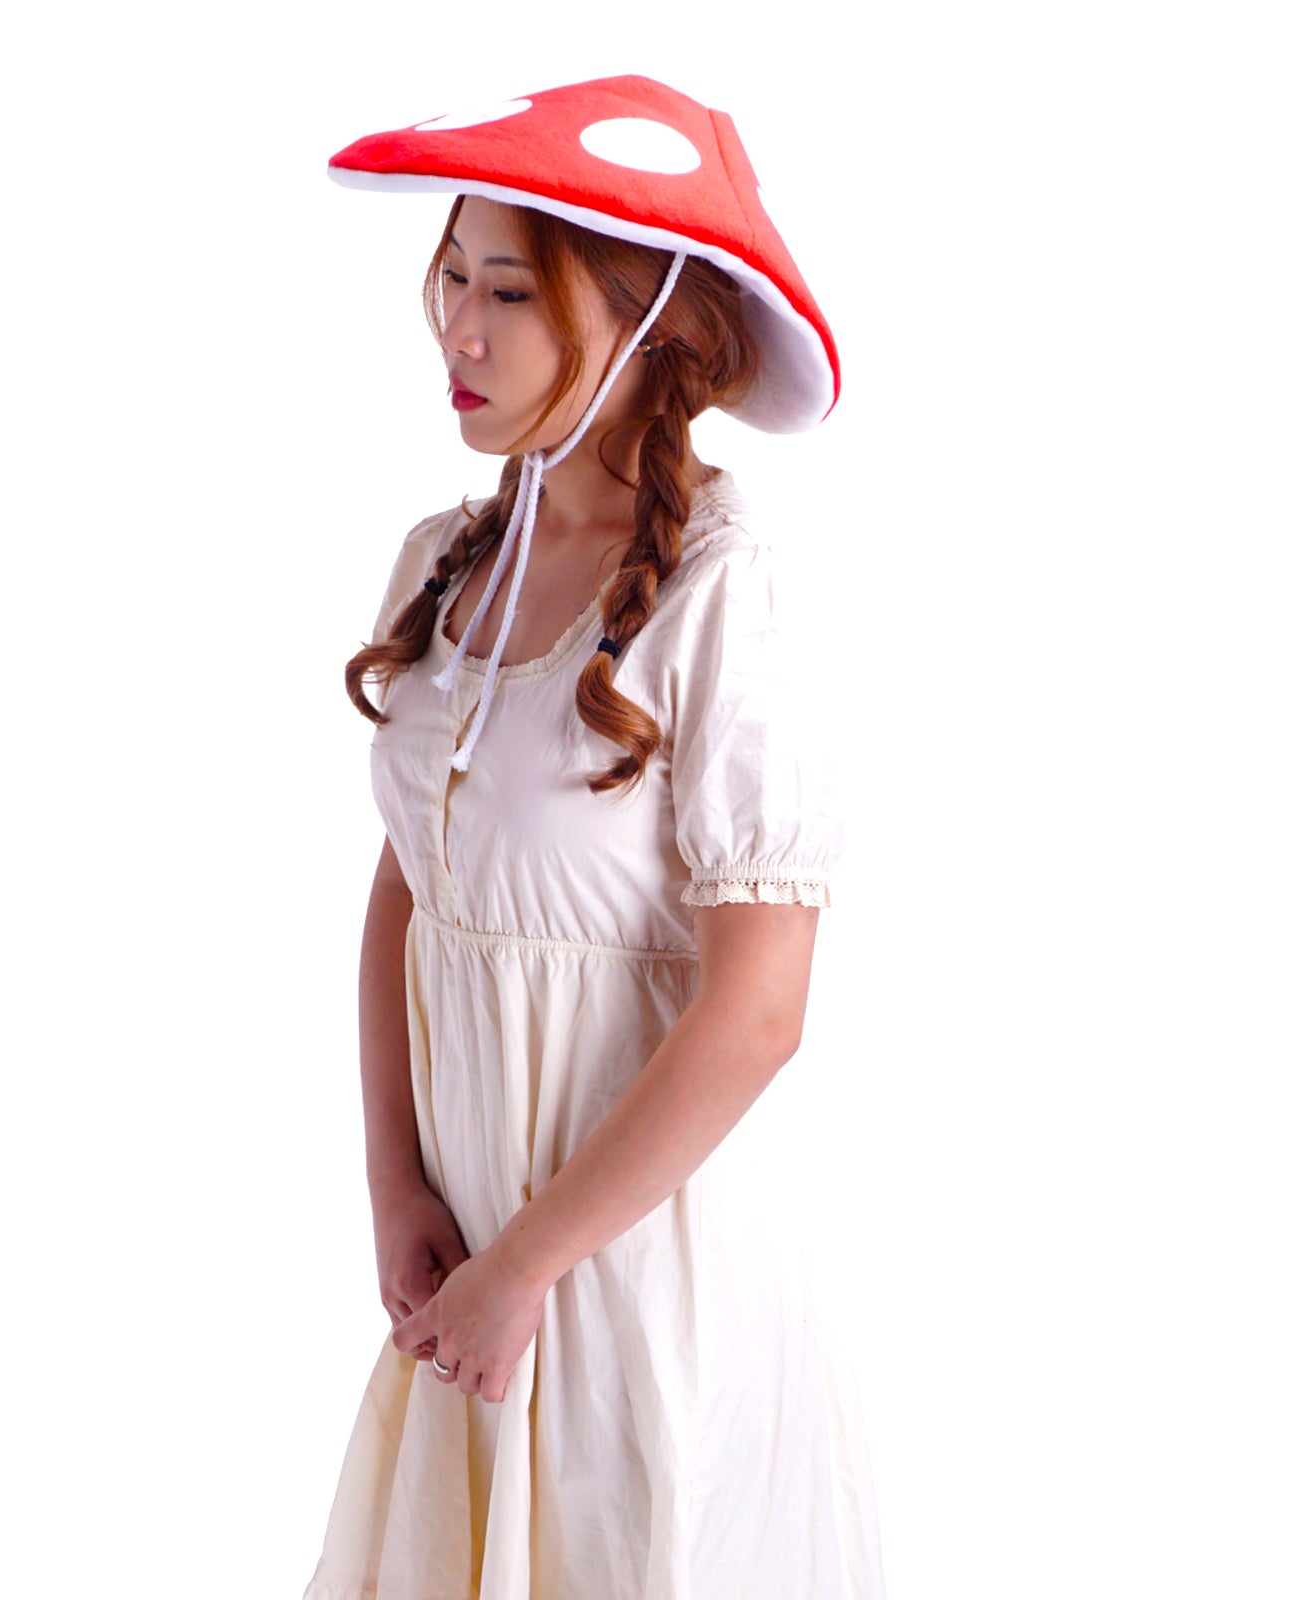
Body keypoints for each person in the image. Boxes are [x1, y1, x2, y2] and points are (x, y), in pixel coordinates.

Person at [302, 76, 889, 1600]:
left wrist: (531, 1266)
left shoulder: (720, 597)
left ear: (642, 327)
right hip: (473, 1282)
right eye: (452, 277)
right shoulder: (445, 568)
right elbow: (412, 890)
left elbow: (760, 1011)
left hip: (633, 1291)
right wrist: (398, 1188)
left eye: (509, 293)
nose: (459, 330)